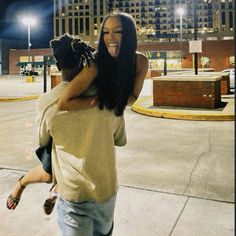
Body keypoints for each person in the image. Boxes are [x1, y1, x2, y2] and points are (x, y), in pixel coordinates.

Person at [40, 11, 148, 235]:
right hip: (85, 120)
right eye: (106, 32)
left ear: (129, 35)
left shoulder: (140, 61)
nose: (111, 37)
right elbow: (65, 101)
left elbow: (133, 96)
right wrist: (95, 102)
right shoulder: (96, 63)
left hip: (105, 182)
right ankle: (54, 186)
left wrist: (117, 101)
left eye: (118, 32)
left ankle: (54, 186)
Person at [6, 33, 96, 215]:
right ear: (84, 62)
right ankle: (26, 183)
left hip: (81, 152)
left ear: (58, 66)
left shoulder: (46, 101)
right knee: (55, 172)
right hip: (67, 151)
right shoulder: (97, 92)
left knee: (64, 172)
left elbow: (42, 138)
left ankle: (52, 187)